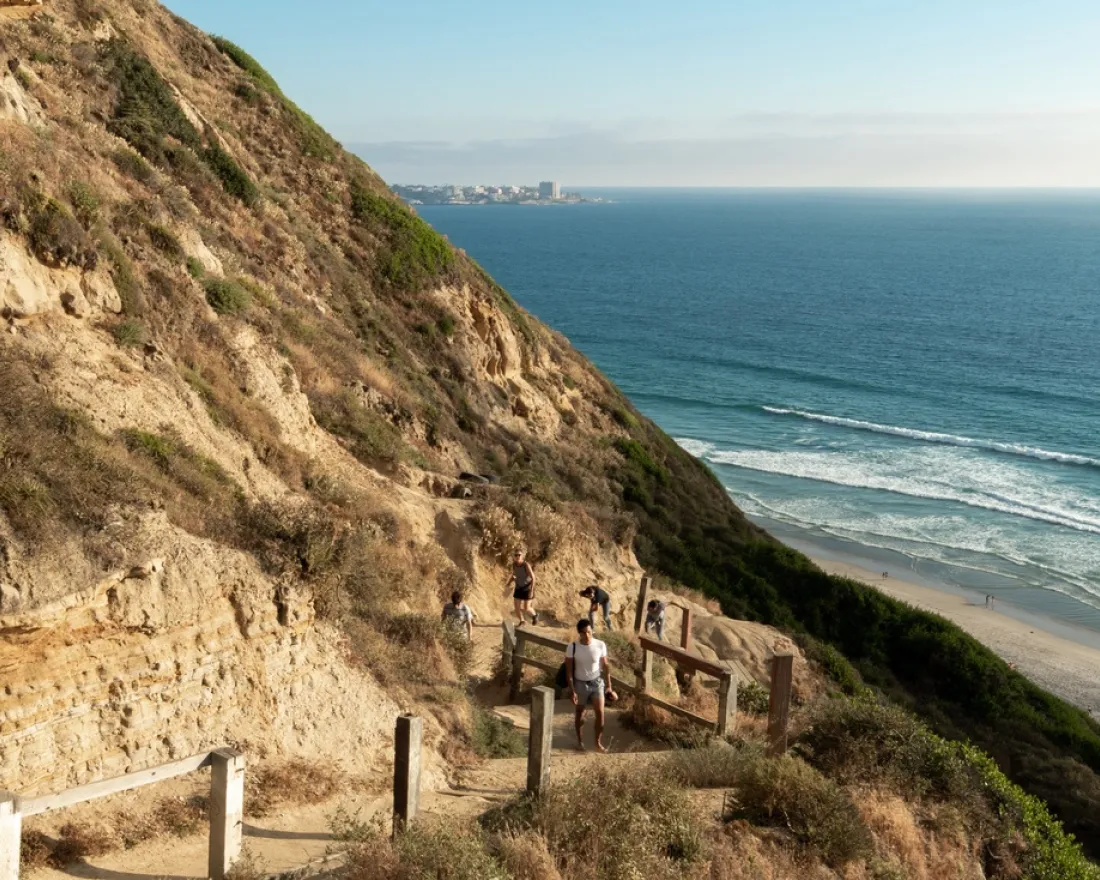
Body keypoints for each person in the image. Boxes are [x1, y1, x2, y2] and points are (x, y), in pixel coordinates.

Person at [564, 619, 616, 752]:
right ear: (579, 634)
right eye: (583, 633)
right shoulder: (572, 647)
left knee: (600, 713)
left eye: (589, 632)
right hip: (580, 683)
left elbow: (606, 666)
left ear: (592, 630)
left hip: (596, 682)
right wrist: (572, 690)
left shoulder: (600, 645)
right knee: (580, 713)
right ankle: (580, 742)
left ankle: (597, 743)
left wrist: (609, 687)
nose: (587, 635)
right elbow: (568, 671)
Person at [504, 549, 538, 626]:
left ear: (522, 556)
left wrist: (531, 590)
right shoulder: (514, 564)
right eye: (516, 555)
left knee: (526, 608)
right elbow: (514, 575)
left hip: (527, 588)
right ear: (514, 557)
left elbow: (533, 577)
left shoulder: (526, 565)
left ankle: (535, 616)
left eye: (519, 555)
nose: (517, 556)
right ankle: (522, 621)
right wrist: (509, 583)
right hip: (518, 587)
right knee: (516, 607)